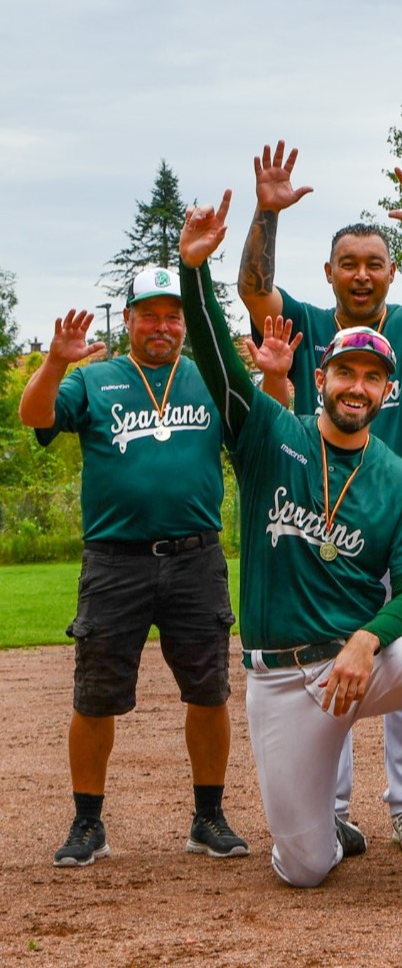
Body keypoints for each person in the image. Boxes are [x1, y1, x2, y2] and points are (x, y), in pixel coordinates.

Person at [177, 192, 402, 910]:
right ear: (321, 378)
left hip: (356, 664)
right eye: (344, 372)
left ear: (387, 388)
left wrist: (367, 641)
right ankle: (320, 828)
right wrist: (194, 270)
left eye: (371, 376)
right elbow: (220, 362)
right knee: (306, 866)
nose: (356, 385)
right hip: (285, 679)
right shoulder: (270, 438)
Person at [234, 142, 402, 852]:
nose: (362, 274)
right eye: (349, 263)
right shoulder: (305, 323)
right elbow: (253, 294)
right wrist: (266, 213)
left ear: (390, 273)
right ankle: (329, 808)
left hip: (397, 508)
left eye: (375, 263)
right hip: (319, 514)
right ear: (329, 271)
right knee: (324, 648)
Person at [20, 276, 247, 867]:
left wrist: (271, 371)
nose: (164, 327)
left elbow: (261, 425)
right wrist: (52, 363)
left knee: (209, 691)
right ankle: (88, 822)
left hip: (196, 557)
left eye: (174, 316)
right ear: (128, 319)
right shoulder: (93, 378)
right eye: (151, 315)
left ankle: (209, 817)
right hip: (114, 560)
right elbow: (33, 415)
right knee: (94, 696)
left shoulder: (207, 376)